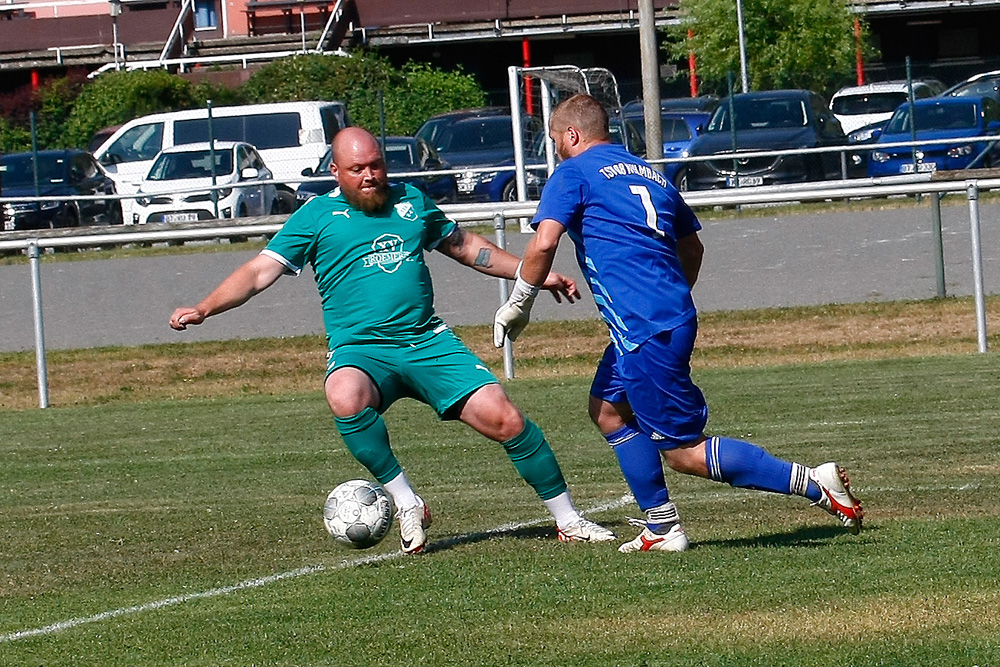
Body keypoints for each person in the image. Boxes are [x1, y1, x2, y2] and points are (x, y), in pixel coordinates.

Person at [170, 127, 615, 555]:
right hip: (361, 350)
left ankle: (569, 520)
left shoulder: (411, 201)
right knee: (343, 394)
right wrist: (205, 307)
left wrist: (532, 274)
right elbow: (257, 272)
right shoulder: (315, 217)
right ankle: (407, 502)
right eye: (358, 168)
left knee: (506, 419)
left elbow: (467, 247)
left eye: (377, 166)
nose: (370, 176)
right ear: (336, 172)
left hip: (426, 342)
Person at [494, 94, 863, 553]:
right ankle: (661, 525)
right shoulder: (650, 172)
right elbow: (693, 251)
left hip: (645, 327)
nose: (557, 150)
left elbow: (544, 241)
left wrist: (520, 302)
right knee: (607, 411)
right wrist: (666, 298)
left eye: (555, 140)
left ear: (571, 135)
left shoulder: (573, 173)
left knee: (684, 452)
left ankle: (812, 482)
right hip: (661, 319)